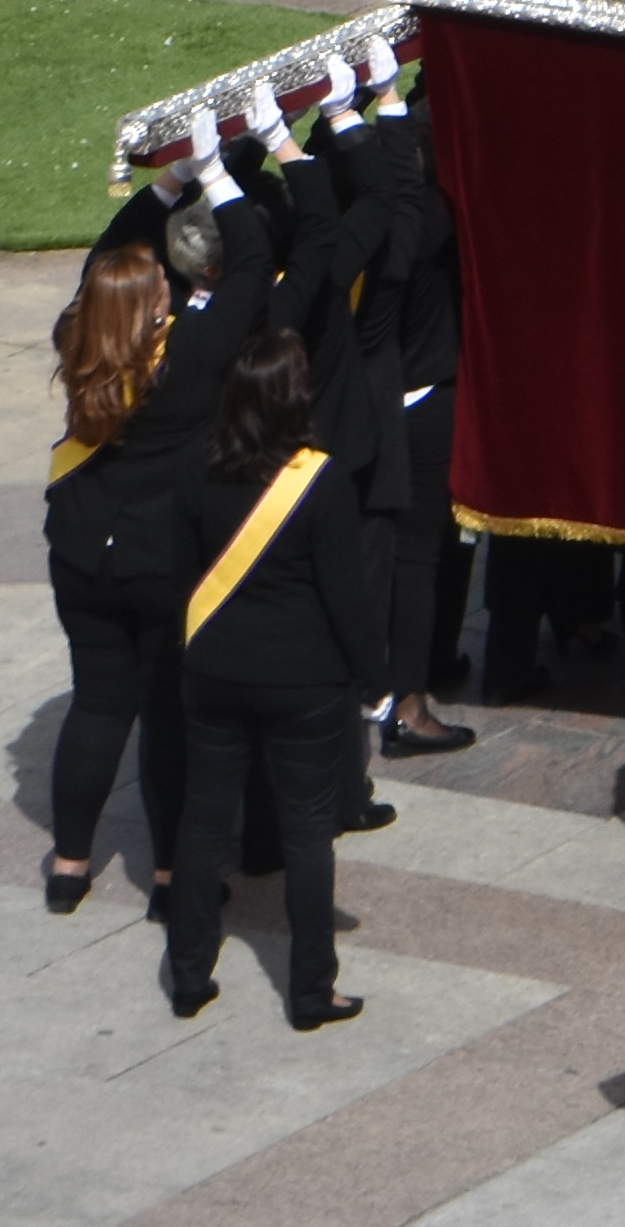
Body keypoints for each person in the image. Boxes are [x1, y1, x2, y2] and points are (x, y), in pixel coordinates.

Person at [155, 315, 377, 1028]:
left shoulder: (192, 464)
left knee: (203, 821)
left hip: (213, 671)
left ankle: (188, 974)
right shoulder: (322, 482)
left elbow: (178, 580)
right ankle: (312, 991)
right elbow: (348, 597)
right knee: (308, 833)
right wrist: (373, 678)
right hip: (303, 681)